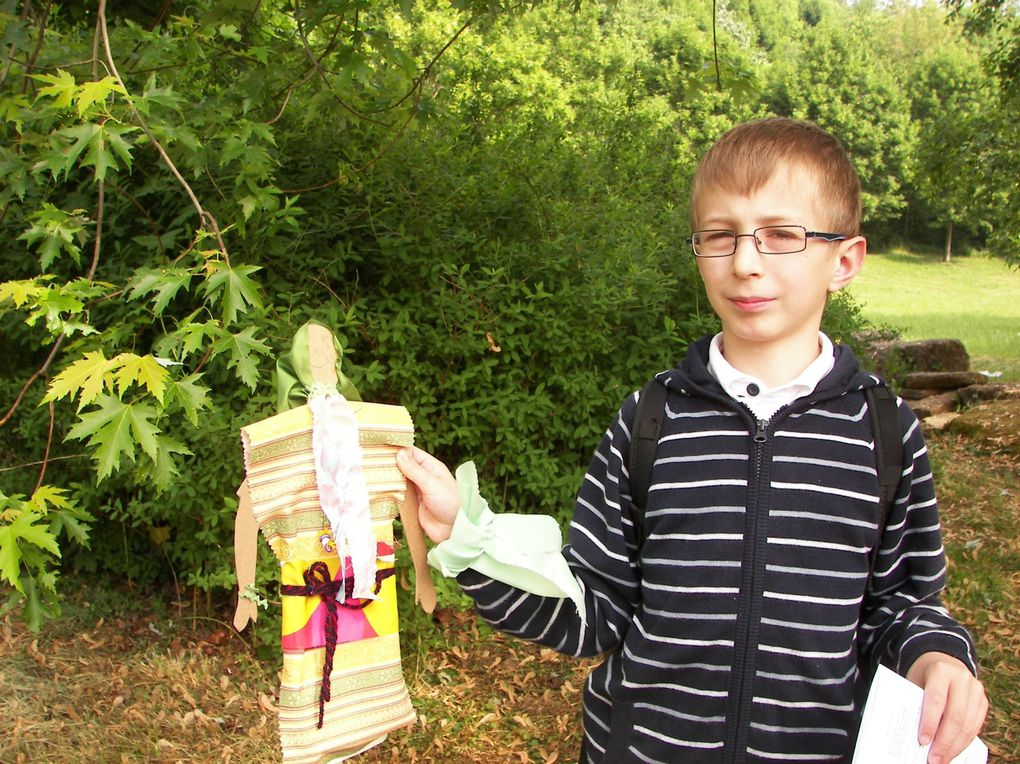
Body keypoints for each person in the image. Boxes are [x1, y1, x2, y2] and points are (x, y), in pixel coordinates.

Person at [396, 117, 988, 763]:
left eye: (782, 235)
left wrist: (937, 660)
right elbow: (591, 610)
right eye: (720, 235)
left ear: (843, 260)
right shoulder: (648, 420)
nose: (744, 261)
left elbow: (901, 606)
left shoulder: (885, 433)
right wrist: (471, 538)